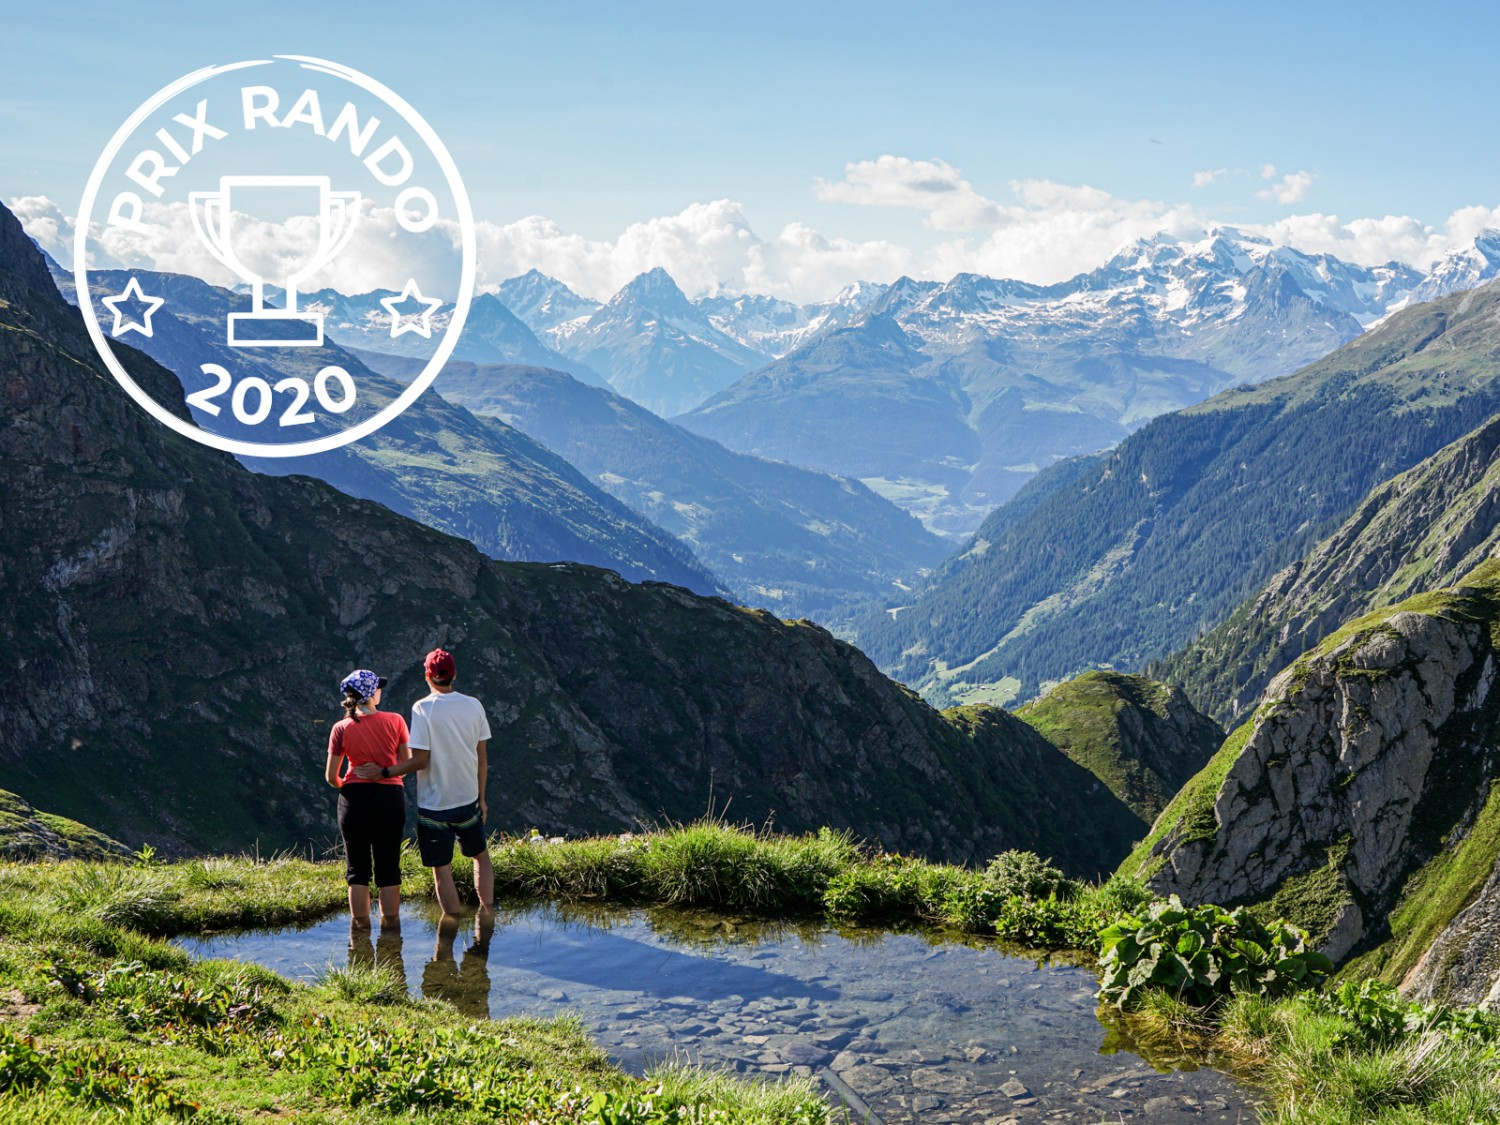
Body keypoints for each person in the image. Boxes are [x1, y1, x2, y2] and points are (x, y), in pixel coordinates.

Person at [356, 648, 493, 915]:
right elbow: (482, 759)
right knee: (481, 858)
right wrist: (482, 798)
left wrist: (384, 772)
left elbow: (420, 760)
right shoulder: (474, 705)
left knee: (441, 869)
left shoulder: (423, 708)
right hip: (468, 799)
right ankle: (487, 917)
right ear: (454, 674)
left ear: (427, 676)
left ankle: (451, 926)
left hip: (435, 805)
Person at [325, 668, 412, 928]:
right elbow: (406, 764)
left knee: (357, 870)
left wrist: (349, 786)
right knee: (388, 868)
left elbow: (331, 776)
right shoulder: (395, 721)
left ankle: (359, 934)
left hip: (354, 800)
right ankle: (391, 931)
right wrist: (386, 776)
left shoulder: (340, 728)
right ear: (373, 693)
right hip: (389, 797)